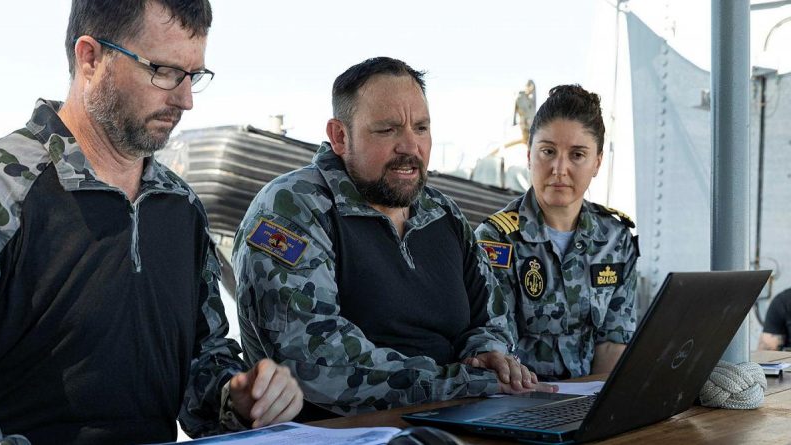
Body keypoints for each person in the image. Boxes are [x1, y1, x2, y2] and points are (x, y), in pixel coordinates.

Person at [0, 1, 301, 444]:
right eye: (164, 71)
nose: (185, 99)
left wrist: (239, 398)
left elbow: (202, 360)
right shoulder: (4, 187)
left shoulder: (180, 206)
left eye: (194, 75)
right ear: (90, 58)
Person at [232, 57, 551, 419]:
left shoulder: (442, 213)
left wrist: (489, 353)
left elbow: (491, 313)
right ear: (339, 136)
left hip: (459, 421)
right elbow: (316, 359)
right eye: (388, 130)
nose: (410, 146)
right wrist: (464, 382)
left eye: (421, 128)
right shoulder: (293, 208)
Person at [476, 84, 639, 380]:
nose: (559, 168)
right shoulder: (496, 239)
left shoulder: (616, 239)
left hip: (591, 402)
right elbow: (495, 343)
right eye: (547, 151)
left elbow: (614, 341)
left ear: (597, 163)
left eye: (577, 155)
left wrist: (595, 409)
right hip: (519, 401)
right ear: (529, 155)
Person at [513, 80, 537, 145]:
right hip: (522, 126)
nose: (531, 90)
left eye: (532, 88)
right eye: (530, 87)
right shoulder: (520, 96)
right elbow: (517, 110)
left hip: (529, 127)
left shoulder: (530, 101)